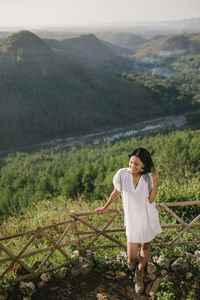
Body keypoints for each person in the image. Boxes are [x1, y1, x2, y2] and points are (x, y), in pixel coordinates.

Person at [96, 147, 162, 294]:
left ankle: (139, 275)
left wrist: (155, 182)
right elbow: (115, 193)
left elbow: (151, 200)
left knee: (145, 247)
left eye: (136, 164)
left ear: (143, 165)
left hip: (147, 216)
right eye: (131, 162)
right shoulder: (122, 174)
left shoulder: (148, 178)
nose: (132, 166)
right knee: (131, 256)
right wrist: (105, 207)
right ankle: (133, 264)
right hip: (132, 219)